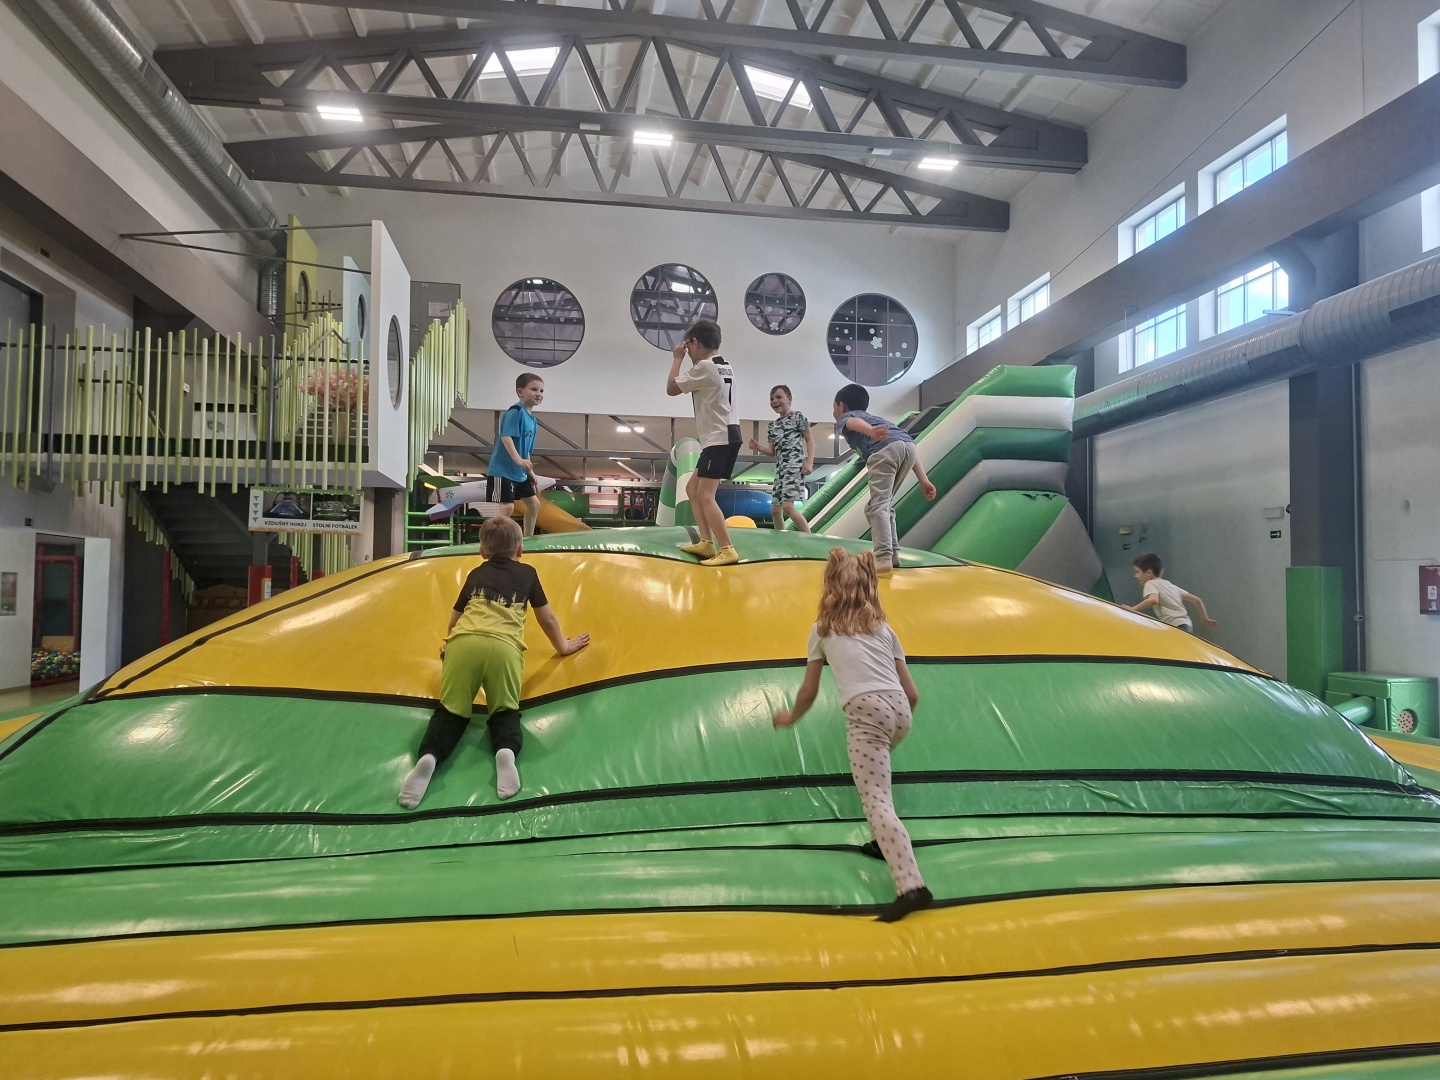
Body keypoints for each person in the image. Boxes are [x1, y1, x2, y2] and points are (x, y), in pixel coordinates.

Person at [773, 547, 932, 922]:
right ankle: (882, 841)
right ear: (869, 586)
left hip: (866, 711)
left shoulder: (822, 630)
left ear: (830, 588)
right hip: (899, 711)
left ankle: (911, 886)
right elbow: (912, 693)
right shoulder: (884, 630)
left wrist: (791, 717)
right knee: (880, 786)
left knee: (876, 799)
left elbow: (809, 691)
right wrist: (894, 723)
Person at [398, 516, 589, 808]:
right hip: (504, 648)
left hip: (464, 644)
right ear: (520, 549)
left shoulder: (475, 574)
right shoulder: (528, 573)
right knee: (503, 711)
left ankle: (428, 759)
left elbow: (455, 620)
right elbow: (547, 618)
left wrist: (451, 645)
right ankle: (505, 754)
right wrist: (563, 646)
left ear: (482, 552)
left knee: (451, 713)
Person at [833, 384, 937, 573]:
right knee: (883, 505)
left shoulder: (846, 417)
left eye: (834, 407)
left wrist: (870, 432)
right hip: (909, 447)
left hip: (884, 450)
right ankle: (893, 555)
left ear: (842, 406)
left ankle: (883, 557)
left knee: (876, 507)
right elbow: (901, 443)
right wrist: (923, 479)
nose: (834, 412)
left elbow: (852, 422)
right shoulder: (875, 419)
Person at [666, 319, 742, 566]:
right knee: (692, 489)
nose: (687, 350)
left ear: (695, 342)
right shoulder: (724, 366)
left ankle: (727, 549)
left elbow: (671, 388)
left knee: (706, 495)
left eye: (688, 345)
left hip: (719, 438)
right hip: (725, 435)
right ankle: (706, 542)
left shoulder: (705, 368)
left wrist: (677, 359)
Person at [749, 384, 814, 533]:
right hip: (780, 468)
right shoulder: (773, 426)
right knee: (775, 510)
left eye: (778, 397)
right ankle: (781, 538)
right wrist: (758, 447)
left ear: (789, 399)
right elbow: (772, 452)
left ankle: (810, 537)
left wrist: (809, 462)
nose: (774, 401)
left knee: (788, 507)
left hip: (794, 465)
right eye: (771, 399)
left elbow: (810, 440)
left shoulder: (797, 417)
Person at [487, 373, 544, 537]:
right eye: (534, 389)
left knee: (534, 504)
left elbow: (526, 451)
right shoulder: (515, 411)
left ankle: (528, 539)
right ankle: (494, 540)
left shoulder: (533, 421)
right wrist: (517, 459)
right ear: (520, 392)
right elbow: (506, 437)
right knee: (508, 506)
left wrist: (530, 471)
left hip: (519, 473)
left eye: (541, 390)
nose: (539, 394)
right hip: (502, 471)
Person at [1124, 552, 1219, 632]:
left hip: (1175, 626)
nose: (1136, 576)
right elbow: (1197, 600)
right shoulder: (1169, 585)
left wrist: (1132, 609)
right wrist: (1204, 619)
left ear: (1149, 573)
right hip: (1186, 625)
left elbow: (1153, 600)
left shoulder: (1150, 583)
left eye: (1137, 572)